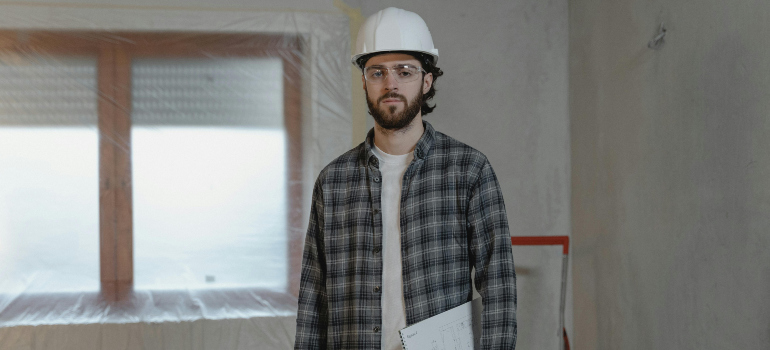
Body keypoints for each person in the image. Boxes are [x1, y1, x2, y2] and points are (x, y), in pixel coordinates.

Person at [295, 7, 516, 350]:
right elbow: (314, 297)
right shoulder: (333, 182)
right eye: (377, 72)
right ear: (365, 82)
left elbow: (499, 285)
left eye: (404, 71)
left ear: (427, 81)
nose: (390, 83)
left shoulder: (468, 171)